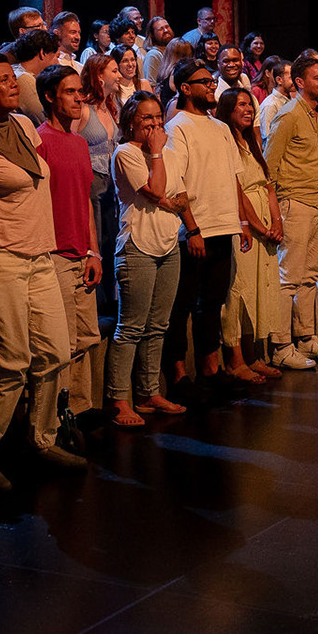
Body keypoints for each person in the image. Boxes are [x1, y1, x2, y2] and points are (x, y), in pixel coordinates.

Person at [0, 55, 84, 490]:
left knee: (56, 352)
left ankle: (41, 439)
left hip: (39, 256)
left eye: (13, 78)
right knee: (12, 362)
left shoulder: (25, 126)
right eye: (4, 80)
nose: (13, 85)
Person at [107, 92, 194, 429]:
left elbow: (182, 197)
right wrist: (156, 153)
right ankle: (119, 399)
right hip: (137, 245)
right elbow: (156, 190)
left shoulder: (169, 152)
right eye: (148, 118)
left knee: (158, 326)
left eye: (159, 117)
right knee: (130, 327)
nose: (156, 124)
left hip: (168, 243)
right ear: (132, 121)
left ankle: (149, 393)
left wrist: (176, 210)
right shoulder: (126, 153)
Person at [163, 58, 236, 398]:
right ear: (185, 88)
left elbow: (233, 177)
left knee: (213, 302)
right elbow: (176, 182)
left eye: (212, 81)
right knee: (183, 305)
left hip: (223, 225)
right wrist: (192, 229)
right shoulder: (177, 126)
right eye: (204, 82)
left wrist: (241, 221)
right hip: (196, 230)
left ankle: (211, 368)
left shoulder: (221, 127)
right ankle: (178, 375)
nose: (211, 86)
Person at [265, 54, 318, 365]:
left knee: (310, 275)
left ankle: (306, 338)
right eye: (317, 77)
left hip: (315, 201)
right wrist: (276, 213)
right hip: (293, 202)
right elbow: (269, 168)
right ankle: (281, 346)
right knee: (289, 277)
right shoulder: (288, 115)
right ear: (299, 82)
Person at [221, 85, 299, 377]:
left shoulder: (252, 141)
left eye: (249, 104)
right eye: (241, 104)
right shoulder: (227, 142)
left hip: (265, 218)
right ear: (228, 109)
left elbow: (268, 185)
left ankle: (254, 354)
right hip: (245, 220)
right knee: (240, 290)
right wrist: (258, 226)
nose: (248, 109)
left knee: (261, 288)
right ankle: (236, 359)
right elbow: (238, 190)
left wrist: (277, 222)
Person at [75, 52, 124, 310]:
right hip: (91, 183)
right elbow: (71, 143)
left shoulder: (111, 107)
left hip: (111, 185)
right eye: (114, 71)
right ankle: (94, 299)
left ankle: (109, 300)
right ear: (98, 75)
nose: (119, 75)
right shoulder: (83, 108)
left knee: (110, 237)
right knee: (94, 239)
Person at [8, 28, 62, 124]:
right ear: (42, 53)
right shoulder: (24, 79)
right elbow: (43, 119)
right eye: (56, 56)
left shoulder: (19, 72)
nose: (58, 62)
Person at [255, 58, 294, 134]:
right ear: (279, 80)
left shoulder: (291, 100)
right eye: (291, 78)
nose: (295, 81)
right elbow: (267, 136)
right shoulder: (270, 105)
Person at [140, 16, 177, 84]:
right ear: (153, 35)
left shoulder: (173, 50)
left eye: (167, 27)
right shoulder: (153, 55)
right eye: (160, 29)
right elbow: (152, 86)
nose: (166, 30)